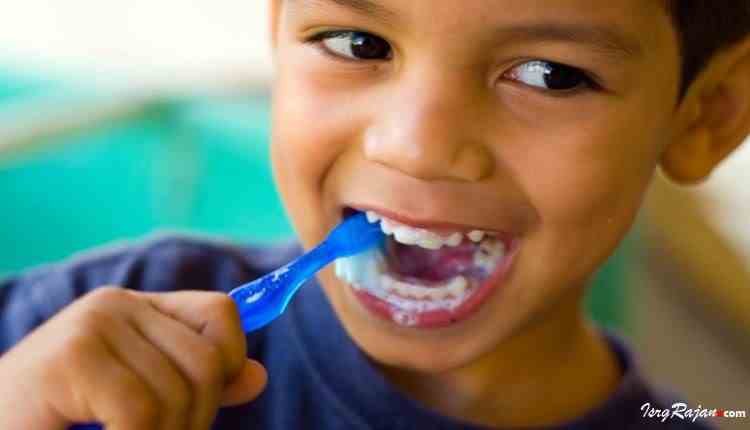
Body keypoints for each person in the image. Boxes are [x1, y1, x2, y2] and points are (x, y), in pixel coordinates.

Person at [1, 1, 749, 428]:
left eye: (549, 76)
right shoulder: (62, 343)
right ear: (278, 31)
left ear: (705, 116)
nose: (416, 145)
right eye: (358, 43)